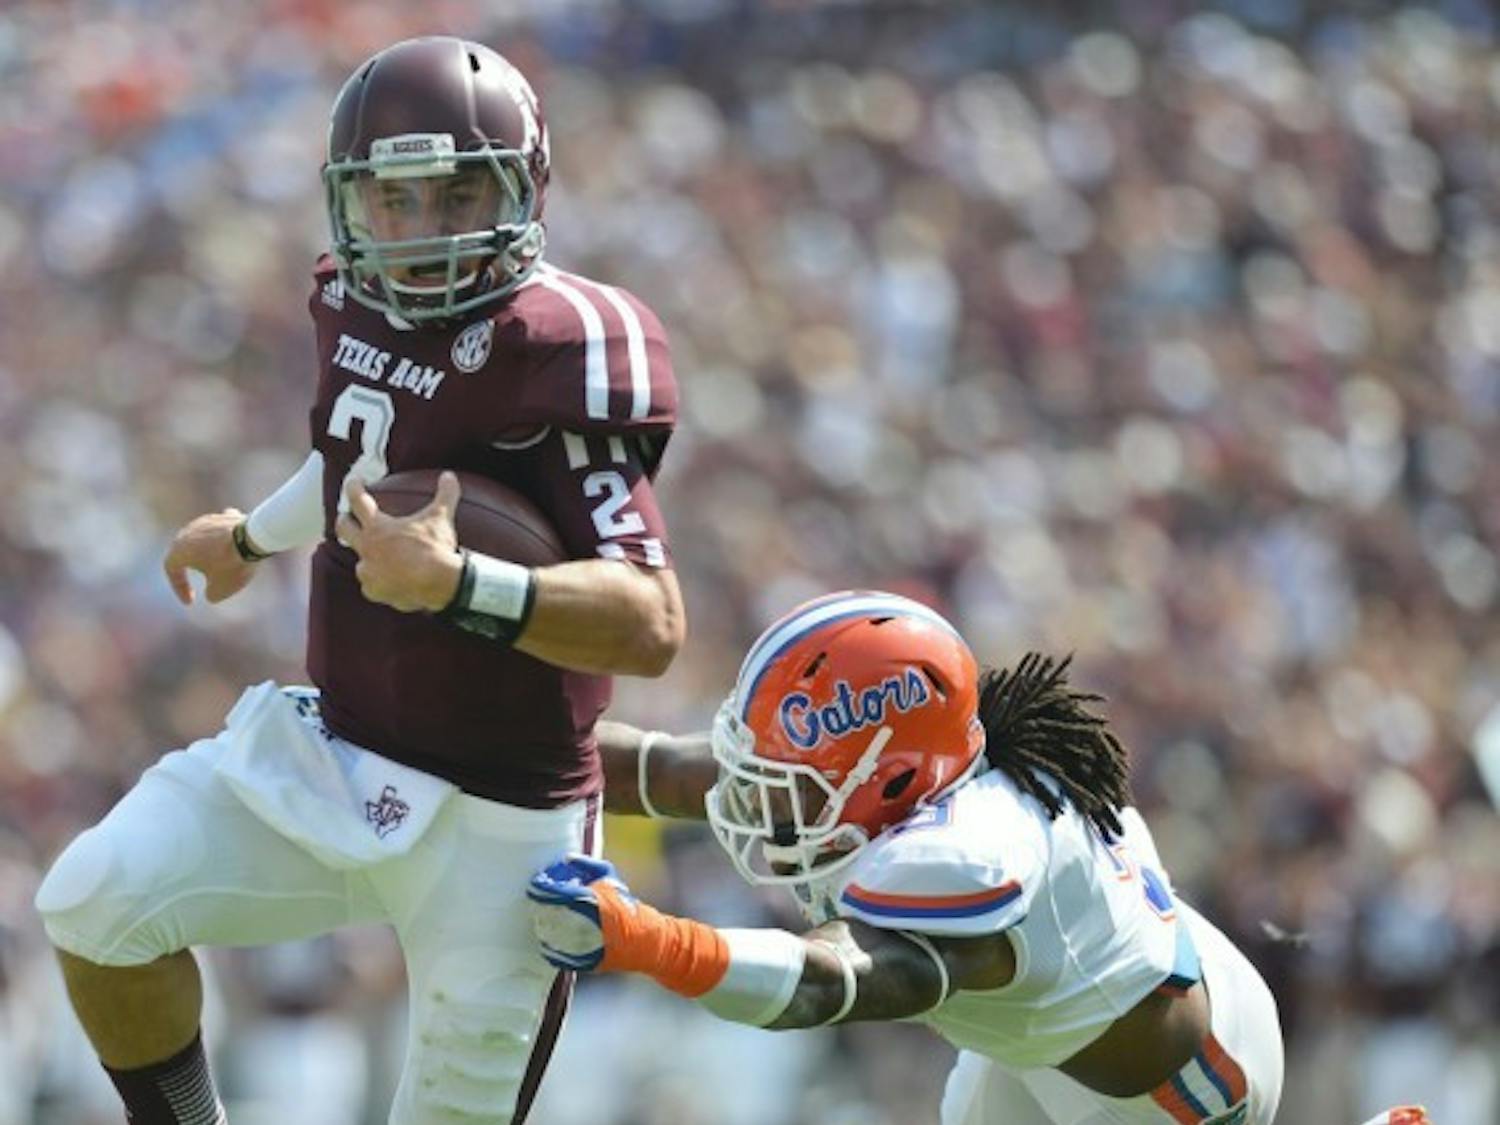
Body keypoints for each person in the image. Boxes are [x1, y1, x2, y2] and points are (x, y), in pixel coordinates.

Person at [34, 35, 682, 1125]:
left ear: (523, 187)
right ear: (349, 205)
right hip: (337, 751)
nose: (423, 231)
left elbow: (653, 622)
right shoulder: (350, 302)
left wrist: (465, 585)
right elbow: (358, 465)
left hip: (505, 816)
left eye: (457, 193)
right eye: (395, 199)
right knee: (95, 903)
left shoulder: (558, 343)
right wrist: (252, 538)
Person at [529, 591, 1430, 1125]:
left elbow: (826, 984)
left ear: (889, 778)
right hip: (1056, 1046)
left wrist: (648, 941)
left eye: (788, 781)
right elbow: (683, 771)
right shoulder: (921, 783)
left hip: (1175, 1092)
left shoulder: (968, 848)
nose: (758, 806)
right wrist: (482, 748)